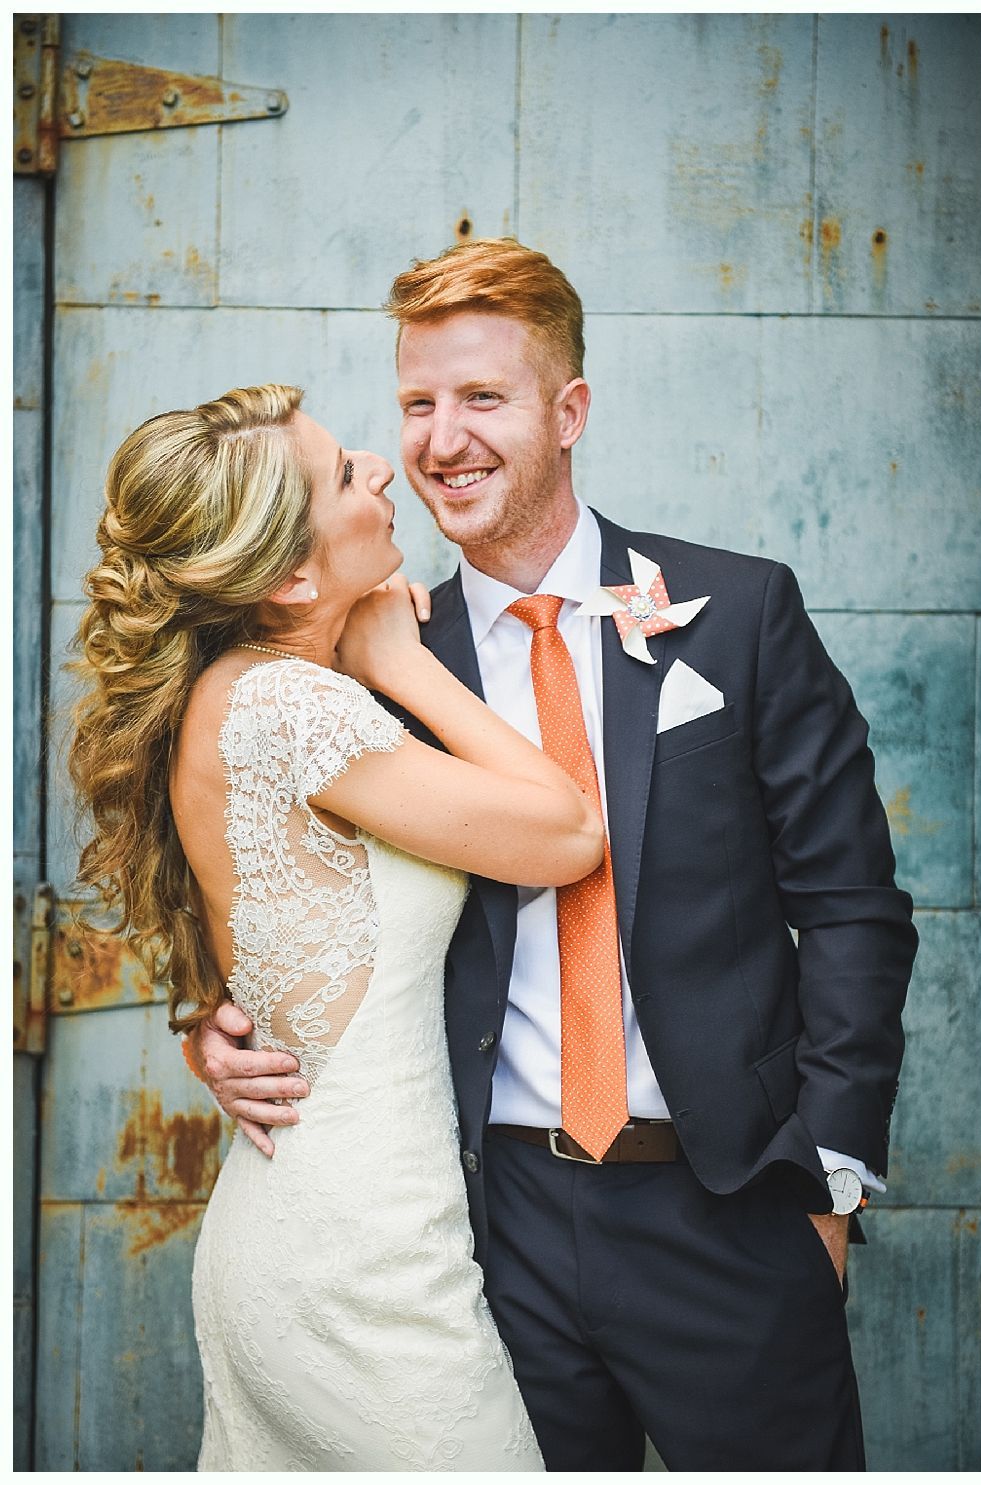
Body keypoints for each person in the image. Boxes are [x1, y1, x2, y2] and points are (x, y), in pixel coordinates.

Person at [193, 242, 918, 1471]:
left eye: (483, 398)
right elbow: (275, 870)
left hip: (728, 1203)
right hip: (490, 1225)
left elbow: (851, 907)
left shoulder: (739, 613)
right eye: (418, 403)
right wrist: (220, 1019)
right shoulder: (374, 666)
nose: (442, 441)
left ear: (568, 411)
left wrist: (828, 1179)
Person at [69, 382, 614, 1470]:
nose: (377, 465)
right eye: (343, 475)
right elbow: (567, 832)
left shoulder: (245, 687)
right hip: (358, 1256)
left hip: (313, 1216)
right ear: (289, 579)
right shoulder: (292, 706)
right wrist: (400, 662)